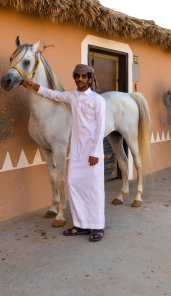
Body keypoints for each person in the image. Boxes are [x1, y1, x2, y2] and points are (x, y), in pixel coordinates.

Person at [22, 64, 106, 242]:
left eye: (84, 77)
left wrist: (94, 152)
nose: (80, 79)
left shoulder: (98, 100)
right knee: (74, 185)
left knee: (93, 188)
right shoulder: (72, 96)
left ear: (90, 79)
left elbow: (100, 128)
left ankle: (97, 226)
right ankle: (81, 224)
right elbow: (53, 94)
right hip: (76, 151)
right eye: (77, 76)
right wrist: (34, 86)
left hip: (92, 152)